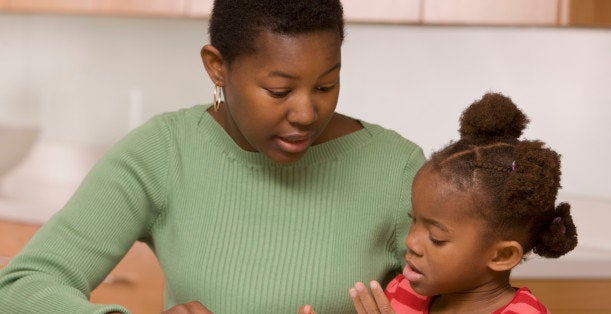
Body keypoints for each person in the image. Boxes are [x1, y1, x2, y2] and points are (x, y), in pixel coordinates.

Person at [0, 0, 426, 313]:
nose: (306, 113)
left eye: (325, 86)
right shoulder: (165, 152)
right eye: (278, 91)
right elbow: (21, 287)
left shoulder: (396, 169)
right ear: (216, 66)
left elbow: (482, 299)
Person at [346, 93, 578, 313]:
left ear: (502, 255)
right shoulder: (403, 292)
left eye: (436, 238)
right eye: (414, 221)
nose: (410, 241)